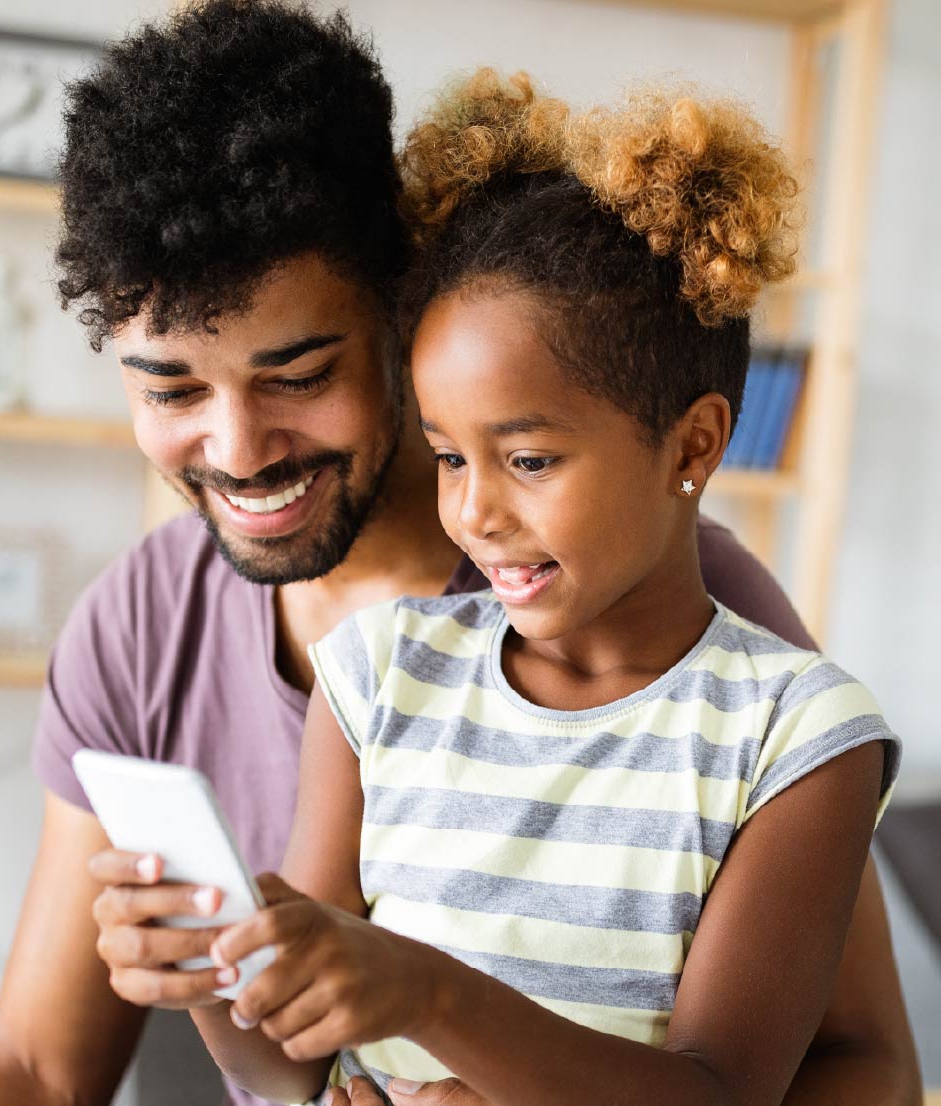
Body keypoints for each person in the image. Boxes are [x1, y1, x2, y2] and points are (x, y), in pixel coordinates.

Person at [0, 3, 921, 1105]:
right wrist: (212, 965)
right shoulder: (200, 633)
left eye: (298, 376)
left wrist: (432, 1000)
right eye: (172, 388)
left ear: (400, 317)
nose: (240, 449)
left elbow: (841, 1065)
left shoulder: (706, 638)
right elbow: (43, 1065)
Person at [185, 72, 906, 1106]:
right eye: (447, 456)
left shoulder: (792, 736)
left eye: (527, 460)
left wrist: (434, 998)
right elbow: (285, 1066)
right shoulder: (379, 675)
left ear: (692, 444)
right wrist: (216, 966)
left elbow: (719, 1090)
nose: (475, 512)